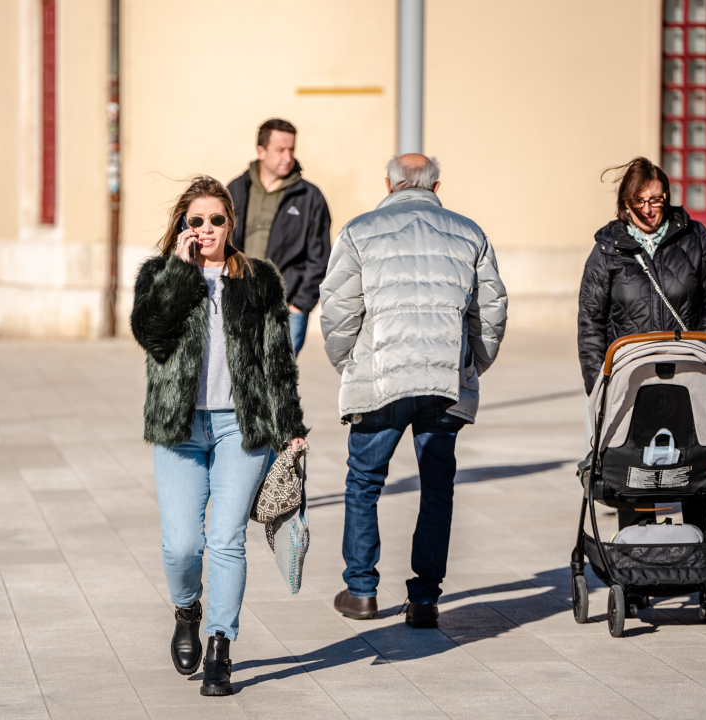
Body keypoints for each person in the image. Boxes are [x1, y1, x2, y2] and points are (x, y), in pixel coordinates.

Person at [131, 176, 307, 696]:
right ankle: (187, 609)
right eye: (196, 221)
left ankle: (219, 648)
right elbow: (150, 333)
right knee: (182, 545)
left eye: (216, 220)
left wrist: (291, 428)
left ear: (230, 224)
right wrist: (181, 276)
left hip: (241, 425)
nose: (207, 229)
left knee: (228, 540)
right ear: (182, 226)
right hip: (179, 426)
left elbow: (278, 357)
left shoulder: (257, 278)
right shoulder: (158, 274)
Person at [320, 154, 507, 628]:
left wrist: (350, 365)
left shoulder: (359, 231)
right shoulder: (470, 233)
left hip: (382, 378)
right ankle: (424, 598)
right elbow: (491, 313)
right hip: (444, 381)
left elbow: (338, 313)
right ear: (436, 186)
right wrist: (470, 366)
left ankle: (361, 591)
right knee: (437, 487)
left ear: (388, 183)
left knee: (364, 482)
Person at [577, 157, 706, 614]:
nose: (652, 209)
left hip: (688, 378)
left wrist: (701, 344)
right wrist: (599, 381)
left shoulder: (693, 237)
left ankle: (704, 576)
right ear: (625, 203)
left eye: (659, 200)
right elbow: (590, 321)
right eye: (642, 202)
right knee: (636, 471)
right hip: (633, 379)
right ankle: (638, 573)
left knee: (696, 469)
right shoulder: (608, 249)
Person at [228, 118, 331, 356]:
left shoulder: (309, 197)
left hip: (286, 309)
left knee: (276, 386)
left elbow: (320, 256)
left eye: (292, 150)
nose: (288, 157)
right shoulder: (235, 190)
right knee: (237, 382)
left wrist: (300, 304)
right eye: (280, 150)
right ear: (261, 151)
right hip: (239, 305)